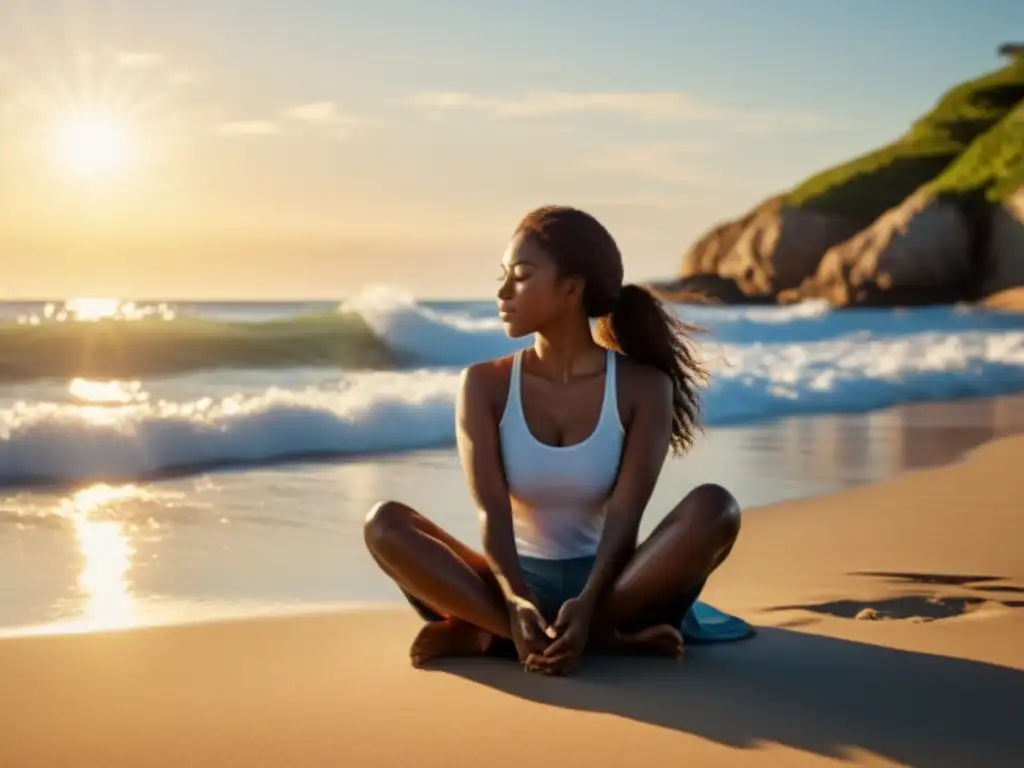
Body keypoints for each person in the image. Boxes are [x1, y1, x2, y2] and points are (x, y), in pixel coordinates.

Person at [363, 205, 741, 675]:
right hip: (510, 583)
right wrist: (516, 598)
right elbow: (492, 513)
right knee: (384, 524)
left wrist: (588, 604)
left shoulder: (643, 387)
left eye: (520, 275)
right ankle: (537, 631)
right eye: (503, 275)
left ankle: (526, 633)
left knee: (716, 508)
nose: (502, 292)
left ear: (571, 287)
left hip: (619, 587)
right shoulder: (484, 384)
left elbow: (625, 519)